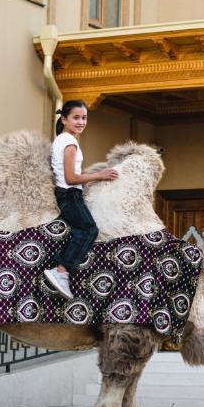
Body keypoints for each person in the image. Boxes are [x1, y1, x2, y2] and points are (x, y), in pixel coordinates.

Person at [42, 100, 118, 300]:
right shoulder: (69, 143)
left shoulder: (63, 139)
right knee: (88, 229)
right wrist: (99, 175)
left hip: (68, 193)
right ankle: (61, 271)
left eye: (84, 118)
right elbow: (71, 178)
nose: (81, 122)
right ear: (64, 119)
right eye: (76, 118)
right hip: (69, 194)